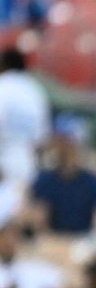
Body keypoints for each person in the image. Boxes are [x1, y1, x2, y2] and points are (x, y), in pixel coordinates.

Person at [28, 116, 96, 237]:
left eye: (68, 143)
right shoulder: (45, 179)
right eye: (60, 142)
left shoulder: (95, 182)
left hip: (83, 242)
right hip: (53, 240)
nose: (64, 148)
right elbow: (39, 219)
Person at [0, 47, 49, 189]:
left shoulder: (3, 86)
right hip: (28, 162)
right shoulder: (35, 89)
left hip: (4, 158)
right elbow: (42, 135)